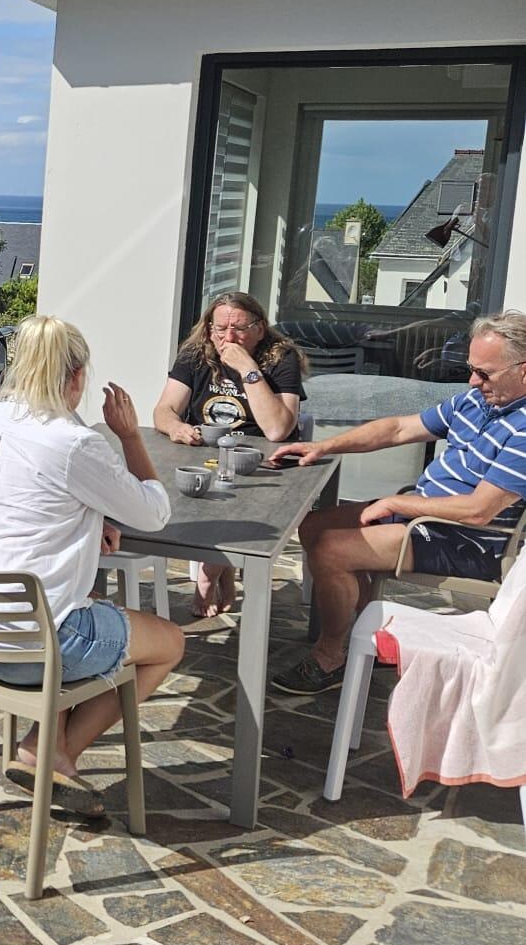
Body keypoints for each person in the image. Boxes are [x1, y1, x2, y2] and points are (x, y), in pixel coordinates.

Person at [0, 315, 184, 812]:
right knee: (169, 643)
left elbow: (27, 500)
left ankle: (47, 746)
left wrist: (93, 518)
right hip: (31, 649)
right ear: (76, 377)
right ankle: (51, 755)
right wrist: (129, 437)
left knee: (76, 602)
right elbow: (154, 513)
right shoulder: (78, 444)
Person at [269, 309, 526, 695]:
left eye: (484, 373)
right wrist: (323, 445)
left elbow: (479, 510)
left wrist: (398, 504)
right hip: (427, 516)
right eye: (471, 369)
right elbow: (399, 427)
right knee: (312, 526)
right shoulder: (477, 401)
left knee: (331, 550)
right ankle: (363, 633)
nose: (474, 381)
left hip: (469, 541)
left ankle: (331, 655)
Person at [153, 291, 305, 616]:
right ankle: (219, 568)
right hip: (203, 456)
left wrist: (249, 369)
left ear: (260, 329)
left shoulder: (281, 358)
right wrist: (175, 427)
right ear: (209, 329)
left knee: (240, 499)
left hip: (260, 462)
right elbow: (164, 409)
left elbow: (277, 429)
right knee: (198, 493)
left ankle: (211, 571)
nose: (228, 337)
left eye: (239, 328)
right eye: (220, 328)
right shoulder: (196, 354)